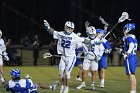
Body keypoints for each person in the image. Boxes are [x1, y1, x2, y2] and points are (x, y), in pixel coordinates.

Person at [44, 20, 85, 93]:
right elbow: (53, 32)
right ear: (65, 27)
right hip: (63, 56)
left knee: (67, 73)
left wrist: (93, 41)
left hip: (71, 57)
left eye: (71, 28)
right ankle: (62, 86)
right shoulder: (61, 33)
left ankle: (66, 88)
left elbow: (85, 40)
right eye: (69, 27)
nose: (70, 29)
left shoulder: (75, 36)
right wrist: (47, 27)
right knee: (60, 73)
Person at [76, 22, 104, 90]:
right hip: (87, 58)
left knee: (93, 72)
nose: (92, 35)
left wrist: (99, 56)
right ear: (88, 33)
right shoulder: (85, 40)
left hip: (95, 59)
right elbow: (78, 45)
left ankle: (92, 85)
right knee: (84, 71)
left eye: (93, 34)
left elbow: (102, 49)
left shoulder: (98, 40)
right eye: (91, 34)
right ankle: (83, 83)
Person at [122, 23, 138, 93]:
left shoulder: (129, 37)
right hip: (133, 56)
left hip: (130, 57)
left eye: (125, 29)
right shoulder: (133, 37)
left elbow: (131, 45)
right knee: (132, 75)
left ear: (129, 29)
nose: (124, 30)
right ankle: (133, 91)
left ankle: (132, 91)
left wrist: (127, 53)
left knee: (131, 75)